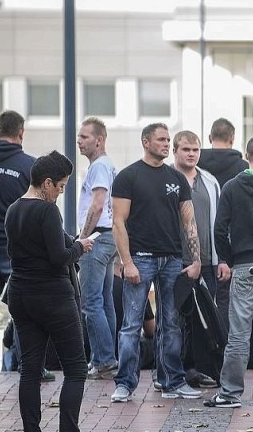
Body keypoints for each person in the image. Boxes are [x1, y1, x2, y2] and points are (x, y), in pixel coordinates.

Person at [5, 150, 105, 432]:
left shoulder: (13, 210)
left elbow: (39, 246)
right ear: (47, 183)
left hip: (20, 294)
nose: (60, 192)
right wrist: (79, 247)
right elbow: (58, 256)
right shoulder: (48, 211)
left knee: (30, 369)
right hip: (53, 297)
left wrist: (72, 243)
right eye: (60, 186)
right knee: (75, 368)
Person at [110, 123, 202, 403]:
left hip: (173, 260)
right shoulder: (128, 176)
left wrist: (196, 259)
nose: (166, 144)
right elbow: (118, 222)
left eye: (167, 140)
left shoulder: (176, 178)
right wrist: (128, 263)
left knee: (171, 323)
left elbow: (189, 221)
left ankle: (171, 381)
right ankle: (125, 383)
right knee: (131, 324)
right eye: (161, 140)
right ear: (145, 142)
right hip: (141, 258)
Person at [206, 136, 253, 408]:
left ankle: (230, 392)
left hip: (245, 264)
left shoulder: (232, 187)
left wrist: (228, 258)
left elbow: (219, 228)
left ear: (246, 155)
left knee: (238, 332)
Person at [0, 110, 35, 383]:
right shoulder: (30, 167)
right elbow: (38, 210)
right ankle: (28, 366)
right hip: (17, 250)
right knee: (24, 311)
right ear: (21, 132)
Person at [172, 130, 227, 388]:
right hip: (174, 260)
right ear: (175, 151)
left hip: (207, 261)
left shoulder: (210, 181)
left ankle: (201, 369)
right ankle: (174, 371)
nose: (191, 154)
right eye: (186, 149)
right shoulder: (168, 180)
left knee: (205, 318)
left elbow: (219, 223)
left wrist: (222, 259)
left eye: (195, 149)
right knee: (174, 319)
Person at [198, 117, 248, 339]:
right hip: (232, 242)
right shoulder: (241, 167)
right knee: (228, 300)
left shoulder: (196, 164)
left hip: (200, 242)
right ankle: (226, 349)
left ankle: (205, 350)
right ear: (233, 138)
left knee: (200, 300)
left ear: (210, 138)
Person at [76, 117, 118, 379]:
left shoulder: (100, 167)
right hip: (108, 237)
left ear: (98, 140)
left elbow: (98, 204)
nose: (79, 141)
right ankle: (105, 358)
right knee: (104, 302)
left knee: (91, 302)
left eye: (84, 137)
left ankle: (103, 361)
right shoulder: (104, 165)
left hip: (97, 237)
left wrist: (82, 237)